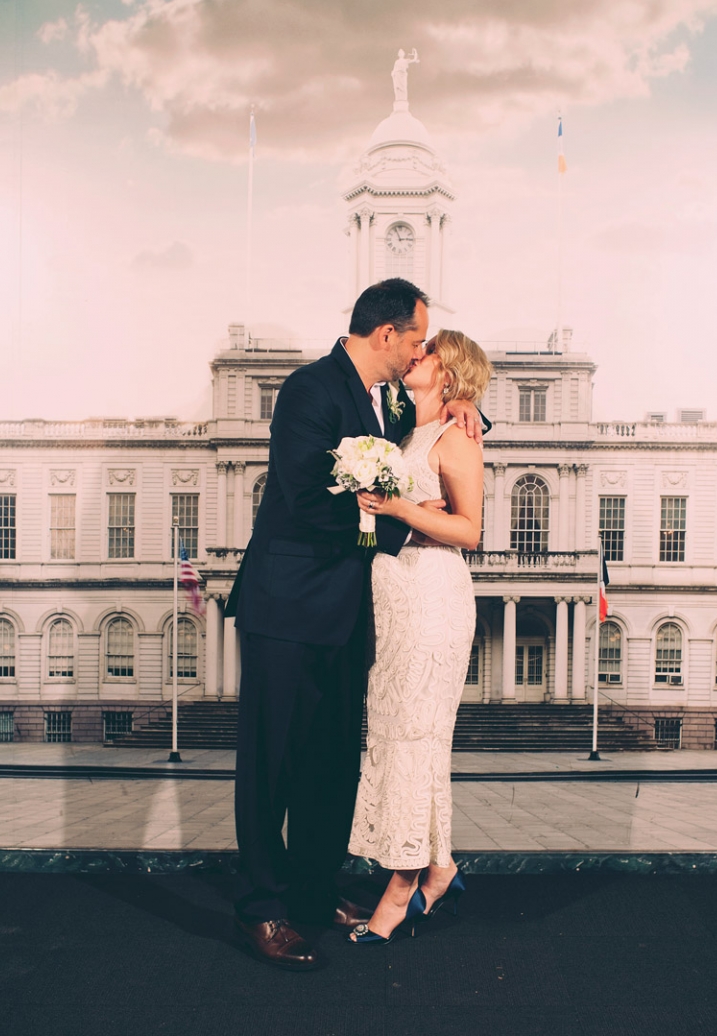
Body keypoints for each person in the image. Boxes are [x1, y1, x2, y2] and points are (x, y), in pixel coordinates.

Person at [227, 280, 484, 971]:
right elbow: (305, 496)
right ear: (386, 335)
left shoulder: (394, 402)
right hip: (287, 606)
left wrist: (464, 404)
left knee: (330, 765)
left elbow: (436, 446)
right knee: (271, 765)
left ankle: (311, 893)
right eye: (417, 339)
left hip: (353, 612)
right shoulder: (311, 390)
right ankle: (262, 907)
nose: (420, 352)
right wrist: (399, 528)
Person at [347, 329, 491, 944]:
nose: (415, 355)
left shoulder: (457, 436)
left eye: (428, 351)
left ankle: (402, 886)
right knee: (399, 731)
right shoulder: (408, 428)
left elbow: (470, 530)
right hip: (395, 598)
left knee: (415, 734)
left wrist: (398, 508)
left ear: (448, 370)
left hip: (433, 596)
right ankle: (439, 867)